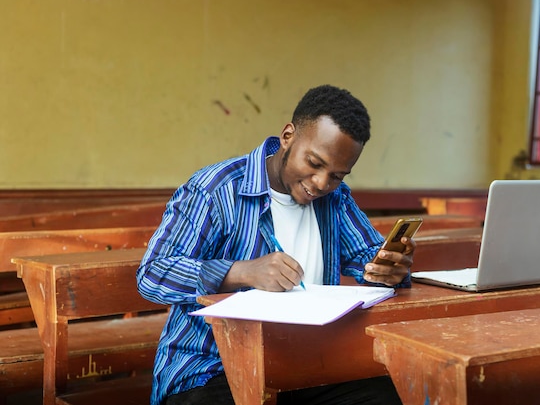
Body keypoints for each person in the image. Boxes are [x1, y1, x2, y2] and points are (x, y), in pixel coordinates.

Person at [137, 84, 416, 405]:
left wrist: (387, 270)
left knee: (385, 396)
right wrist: (242, 272)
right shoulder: (216, 189)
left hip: (307, 366)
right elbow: (153, 274)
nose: (322, 183)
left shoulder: (336, 199)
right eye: (314, 162)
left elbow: (368, 260)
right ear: (287, 136)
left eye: (337, 175)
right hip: (211, 367)